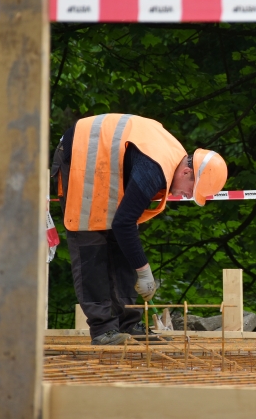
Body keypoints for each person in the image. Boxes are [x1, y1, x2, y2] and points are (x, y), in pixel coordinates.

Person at [51, 113, 227, 345]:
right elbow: (124, 223)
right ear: (186, 172)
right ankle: (104, 330)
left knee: (119, 243)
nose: (185, 195)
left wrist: (137, 264)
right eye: (190, 190)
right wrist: (143, 270)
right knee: (91, 244)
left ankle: (128, 324)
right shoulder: (155, 169)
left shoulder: (172, 158)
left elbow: (124, 227)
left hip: (101, 163)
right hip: (81, 157)